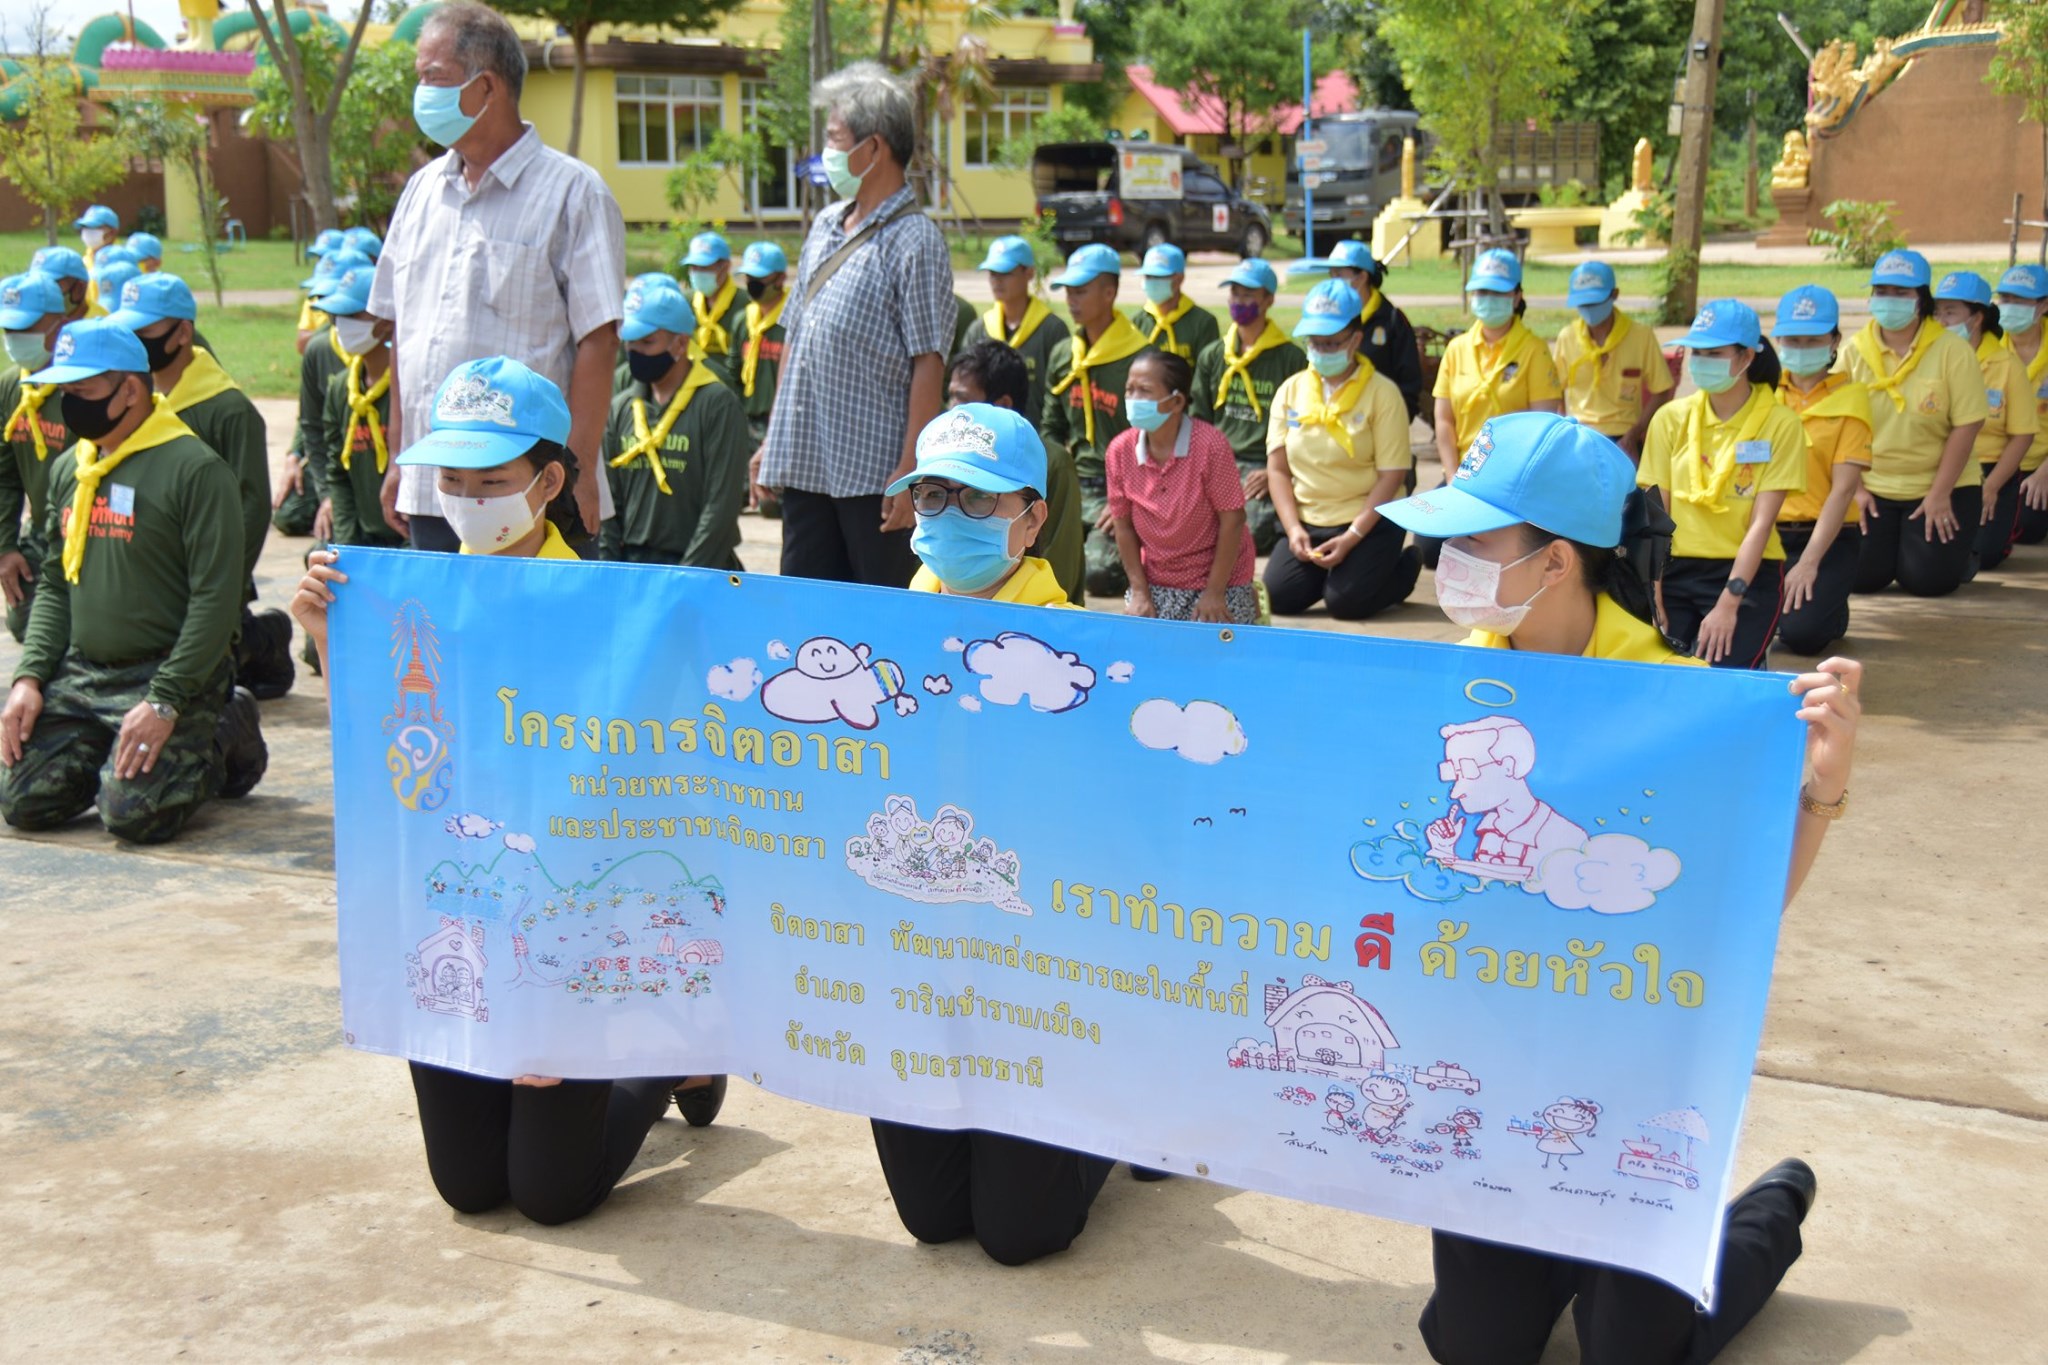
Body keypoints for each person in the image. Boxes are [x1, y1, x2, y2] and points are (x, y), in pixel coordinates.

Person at [1377, 408, 1854, 1365]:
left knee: (1636, 1355)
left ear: (1556, 560)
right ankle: (1551, 1256)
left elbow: (1738, 910)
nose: (1447, 562)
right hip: (1494, 1068)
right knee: (1473, 1349)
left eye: (1474, 541)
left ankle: (1766, 1210)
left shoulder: (1676, 706)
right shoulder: (1457, 684)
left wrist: (1821, 790)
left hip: (1627, 1078)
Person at [289, 356, 695, 1222]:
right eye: (453, 479)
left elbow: (638, 796)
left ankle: (665, 1059)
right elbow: (388, 759)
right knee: (471, 1187)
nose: (469, 498)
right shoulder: (414, 597)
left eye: (493, 480)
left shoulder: (607, 607)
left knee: (549, 1193)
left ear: (548, 482)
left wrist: (557, 1002)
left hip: (557, 922)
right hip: (454, 909)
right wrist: (331, 637)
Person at [869, 402, 1117, 1260]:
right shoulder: (878, 640)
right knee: (933, 1217)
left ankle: (1122, 1124)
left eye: (979, 500)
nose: (949, 517)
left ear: (1033, 518)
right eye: (933, 496)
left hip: (1027, 971)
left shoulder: (1080, 653)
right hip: (916, 960)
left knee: (1020, 1234)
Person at [370, 0, 627, 553]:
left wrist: (577, 468)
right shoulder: (420, 192)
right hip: (437, 487)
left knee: (537, 613)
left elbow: (599, 338)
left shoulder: (573, 193)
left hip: (527, 496)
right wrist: (398, 458)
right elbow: (403, 337)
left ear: (486, 87)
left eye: (433, 77)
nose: (421, 93)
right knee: (441, 612)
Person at [0, 319, 267, 844]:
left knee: (134, 815)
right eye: (64, 392)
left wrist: (166, 700)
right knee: (23, 799)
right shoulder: (72, 469)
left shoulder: (194, 470)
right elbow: (56, 582)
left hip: (165, 673)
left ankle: (225, 727)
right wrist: (29, 679)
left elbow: (216, 601)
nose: (69, 404)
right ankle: (114, 750)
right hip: (85, 674)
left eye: (82, 391)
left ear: (129, 390)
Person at [751, 61, 953, 587]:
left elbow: (928, 362)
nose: (827, 151)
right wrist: (773, 440)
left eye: (836, 138)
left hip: (874, 477)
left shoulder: (915, 241)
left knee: (876, 614)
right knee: (805, 611)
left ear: (874, 147)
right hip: (806, 462)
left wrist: (910, 470)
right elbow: (796, 336)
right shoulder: (825, 224)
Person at [107, 273, 291, 699]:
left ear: (183, 333)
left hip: (208, 571)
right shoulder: (135, 400)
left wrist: (225, 584)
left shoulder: (228, 410)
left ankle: (260, 639)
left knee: (199, 682)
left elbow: (251, 507)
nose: (136, 341)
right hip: (153, 565)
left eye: (145, 330)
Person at [1636, 299, 1806, 669]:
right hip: (1674, 570)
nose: (1702, 362)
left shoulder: (1782, 424)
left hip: (1746, 574)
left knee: (1718, 676)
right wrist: (1654, 593)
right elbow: (1655, 516)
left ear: (1747, 357)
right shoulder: (1670, 418)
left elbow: (1761, 524)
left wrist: (1729, 604)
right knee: (1664, 671)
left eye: (1714, 353)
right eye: (1697, 353)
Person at [1263, 279, 1419, 621]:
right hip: (1310, 518)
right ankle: (1340, 572)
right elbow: (1277, 469)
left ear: (1356, 340)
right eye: (1314, 342)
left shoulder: (1383, 393)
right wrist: (1293, 529)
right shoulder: (1290, 390)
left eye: (1332, 343)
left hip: (1368, 519)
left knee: (1345, 604)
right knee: (1280, 596)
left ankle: (1403, 568)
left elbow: (1392, 475)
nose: (1322, 350)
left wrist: (1352, 536)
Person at [1843, 249, 1989, 598]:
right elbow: (1838, 426)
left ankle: (1958, 554)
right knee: (1862, 579)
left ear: (1922, 299)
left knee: (1929, 583)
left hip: (1941, 484)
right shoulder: (1853, 351)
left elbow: (1967, 426)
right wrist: (1854, 489)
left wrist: (1939, 493)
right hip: (1872, 485)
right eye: (1882, 291)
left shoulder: (1953, 351)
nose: (1889, 300)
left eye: (1901, 292)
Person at [600, 280, 750, 568]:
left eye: (647, 342)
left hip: (699, 567)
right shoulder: (621, 408)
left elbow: (721, 507)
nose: (635, 352)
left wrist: (685, 577)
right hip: (634, 566)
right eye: (630, 342)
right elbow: (609, 505)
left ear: (680, 344)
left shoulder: (717, 405)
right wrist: (610, 572)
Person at [1106, 348, 1256, 624]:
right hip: (1156, 581)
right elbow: (1123, 525)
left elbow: (1233, 520)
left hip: (1220, 579)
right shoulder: (1120, 451)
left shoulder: (1211, 446)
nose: (1133, 399)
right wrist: (1139, 591)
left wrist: (1215, 592)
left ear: (1176, 402)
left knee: (1219, 642)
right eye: (1129, 390)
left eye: (1144, 391)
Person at [1042, 243, 1150, 598]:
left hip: (1122, 489)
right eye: (1069, 292)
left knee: (1098, 575)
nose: (1072, 300)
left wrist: (1126, 497)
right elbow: (1051, 429)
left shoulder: (1140, 360)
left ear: (1109, 292)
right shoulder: (1064, 354)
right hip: (1074, 483)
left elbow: (1153, 440)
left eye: (1081, 291)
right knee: (1042, 563)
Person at [1771, 286, 1872, 658]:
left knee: (1801, 636)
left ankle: (1833, 608)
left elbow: (1843, 491)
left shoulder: (1851, 400)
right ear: (1778, 341)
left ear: (1834, 342)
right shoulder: (1764, 395)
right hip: (1768, 532)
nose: (1801, 348)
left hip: (1826, 536)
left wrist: (1809, 562)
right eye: (1793, 340)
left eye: (1812, 340)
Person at [947, 339, 1083, 603]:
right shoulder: (950, 461)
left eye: (962, 399)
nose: (952, 410)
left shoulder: (1053, 463)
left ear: (1003, 404)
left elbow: (1063, 561)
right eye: (950, 396)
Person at [1191, 257, 1303, 555]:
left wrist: (1276, 471)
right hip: (1218, 464)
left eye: (1248, 295)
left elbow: (1301, 428)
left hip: (1262, 466)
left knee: (1244, 534)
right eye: (1234, 293)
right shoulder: (1213, 355)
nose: (1239, 301)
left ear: (1268, 300)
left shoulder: (1290, 358)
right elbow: (1198, 421)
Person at [1931, 271, 2037, 574]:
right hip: (1938, 465)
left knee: (1986, 554)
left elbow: (2023, 435)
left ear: (1976, 318)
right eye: (1937, 312)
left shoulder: (2007, 365)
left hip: (1988, 468)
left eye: (1950, 313)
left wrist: (1991, 487)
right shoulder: (1931, 358)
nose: (1940, 321)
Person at [276, 257, 373, 540]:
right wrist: (297, 456)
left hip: (373, 473)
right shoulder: (320, 350)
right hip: (338, 467)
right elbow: (312, 425)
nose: (337, 323)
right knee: (290, 516)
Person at [310, 265, 403, 551]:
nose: (341, 325)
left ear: (385, 321)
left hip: (407, 539)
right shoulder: (341, 388)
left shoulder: (407, 387)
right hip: (363, 537)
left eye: (352, 316)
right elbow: (338, 473)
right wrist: (348, 546)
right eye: (336, 317)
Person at [1, 272, 71, 643]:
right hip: (43, 533)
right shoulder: (10, 386)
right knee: (25, 623)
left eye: (26, 327)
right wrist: (5, 546)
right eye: (9, 329)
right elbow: (4, 475)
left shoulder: (85, 387)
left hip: (97, 536)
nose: (16, 337)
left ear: (59, 323)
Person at [1552, 260, 1673, 459]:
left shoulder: (1641, 336)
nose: (1589, 309)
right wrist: (1565, 429)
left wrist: (1634, 434)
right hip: (1579, 433)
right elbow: (1554, 391)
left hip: (1624, 436)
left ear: (1614, 294)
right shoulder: (1567, 337)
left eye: (1595, 302)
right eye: (1583, 304)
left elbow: (1662, 390)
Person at [954, 235, 1068, 431]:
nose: (997, 281)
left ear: (1029, 273)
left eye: (1006, 273)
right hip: (985, 434)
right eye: (992, 273)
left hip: (1036, 436)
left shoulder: (1051, 329)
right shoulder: (980, 329)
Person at [1323, 240, 1424, 422]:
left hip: (1381, 421)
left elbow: (1409, 383)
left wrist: (1395, 421)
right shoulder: (1327, 317)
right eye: (1331, 274)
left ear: (1362, 277)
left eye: (1339, 274)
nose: (1333, 281)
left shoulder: (1392, 321)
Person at [1995, 263, 2048, 545]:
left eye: (2020, 300)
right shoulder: (1989, 347)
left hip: (2041, 463)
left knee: (2027, 528)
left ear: (2043, 305)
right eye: (2005, 298)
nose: (2010, 306)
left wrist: (2044, 474)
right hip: (1998, 461)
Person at [732, 241, 790, 455]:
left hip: (780, 425)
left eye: (760, 277)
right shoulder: (743, 320)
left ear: (780, 279)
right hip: (747, 422)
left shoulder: (792, 321)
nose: (752, 283)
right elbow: (734, 371)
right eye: (749, 277)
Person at [1131, 244, 1220, 363]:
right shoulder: (1137, 323)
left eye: (1159, 276)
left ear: (1179, 279)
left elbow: (1207, 369)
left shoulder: (1203, 322)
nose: (1152, 282)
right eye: (1148, 276)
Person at [681, 231, 747, 389]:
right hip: (691, 388)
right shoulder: (684, 302)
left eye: (704, 267)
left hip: (731, 389)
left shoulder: (745, 304)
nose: (697, 272)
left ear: (725, 266)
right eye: (693, 267)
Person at [30, 248, 96, 323]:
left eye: (51, 285)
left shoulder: (98, 326)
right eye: (36, 284)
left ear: (79, 288)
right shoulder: (32, 323)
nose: (41, 291)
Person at [75, 205, 120, 310]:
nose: (87, 232)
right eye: (85, 227)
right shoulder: (83, 262)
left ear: (112, 232)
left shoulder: (123, 262)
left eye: (94, 227)